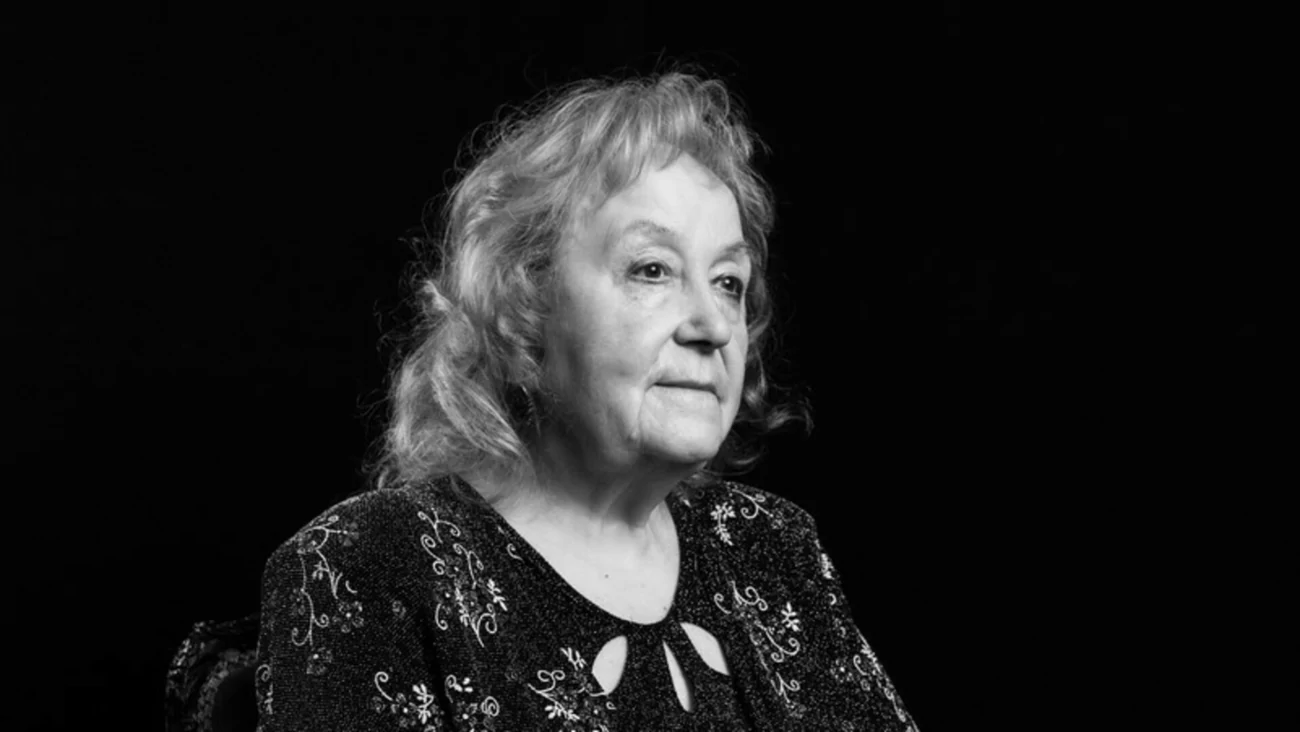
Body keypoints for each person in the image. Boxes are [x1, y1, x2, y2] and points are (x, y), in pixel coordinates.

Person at [253, 69, 918, 731]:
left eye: (728, 281)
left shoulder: (769, 545)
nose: (713, 326)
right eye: (652, 269)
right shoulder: (369, 566)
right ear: (521, 304)